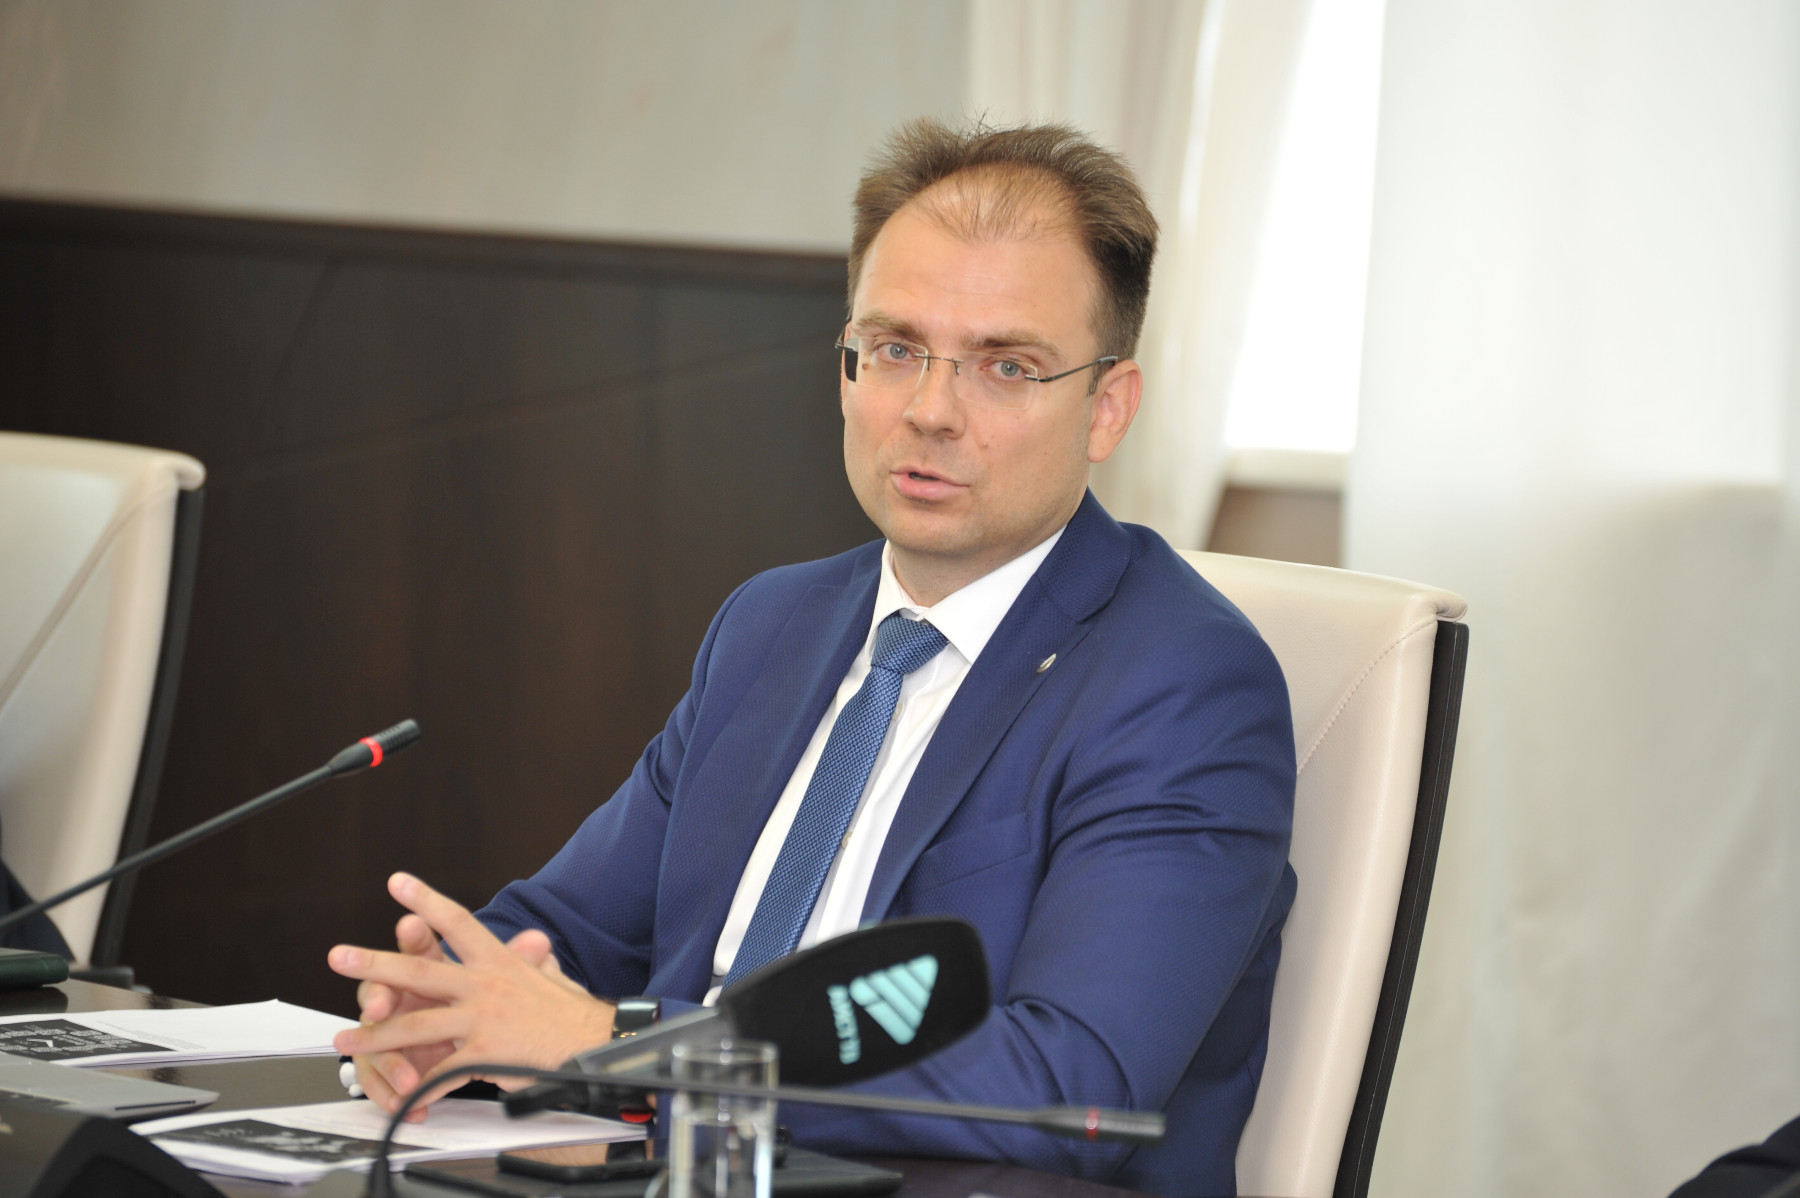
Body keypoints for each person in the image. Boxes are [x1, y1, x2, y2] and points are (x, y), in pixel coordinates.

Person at [328, 118, 1296, 1197]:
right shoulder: (773, 624)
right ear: (845, 368)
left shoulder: (1184, 687)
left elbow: (1069, 1093)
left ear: (1105, 408)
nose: (929, 411)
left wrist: (624, 1045)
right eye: (895, 349)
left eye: (1006, 366)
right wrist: (448, 1000)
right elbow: (569, 930)